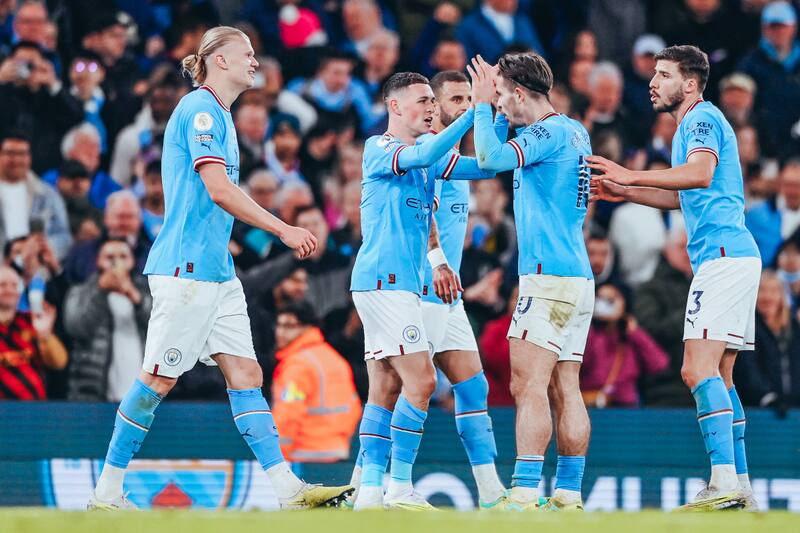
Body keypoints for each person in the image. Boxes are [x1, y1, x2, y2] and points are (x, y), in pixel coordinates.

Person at [88, 26, 350, 511]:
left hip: (217, 273)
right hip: (186, 271)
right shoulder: (202, 110)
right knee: (158, 380)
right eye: (247, 53)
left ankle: (286, 490)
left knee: (247, 373)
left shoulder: (222, 117)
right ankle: (106, 492)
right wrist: (284, 229)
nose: (256, 61)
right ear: (219, 60)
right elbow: (219, 190)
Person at [589, 45, 761, 510]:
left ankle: (723, 480)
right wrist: (627, 191)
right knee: (721, 375)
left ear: (689, 83)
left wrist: (629, 171)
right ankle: (740, 484)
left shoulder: (700, 120)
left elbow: (701, 174)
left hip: (722, 257)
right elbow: (684, 196)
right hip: (734, 255)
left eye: (663, 74)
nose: (652, 82)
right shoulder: (693, 126)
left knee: (695, 368)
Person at [349, 71, 483, 510]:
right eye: (423, 100)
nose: (431, 108)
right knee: (422, 380)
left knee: (385, 385)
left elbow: (480, 166)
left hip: (395, 286)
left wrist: (501, 126)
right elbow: (426, 151)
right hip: (383, 283)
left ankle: (369, 492)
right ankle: (400, 487)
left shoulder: (425, 162)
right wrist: (472, 112)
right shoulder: (380, 148)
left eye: (432, 101)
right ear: (394, 106)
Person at [469, 52, 593, 511]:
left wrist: (483, 107)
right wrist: (494, 109)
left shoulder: (543, 133)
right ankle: (568, 494)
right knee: (566, 385)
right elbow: (491, 162)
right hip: (577, 278)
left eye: (502, 94)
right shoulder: (574, 130)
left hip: (546, 280)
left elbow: (487, 157)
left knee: (528, 385)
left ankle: (522, 493)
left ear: (519, 93)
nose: (499, 103)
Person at [416, 70, 506, 508]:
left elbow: (491, 163)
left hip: (447, 298)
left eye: (470, 97)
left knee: (473, 388)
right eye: (457, 99)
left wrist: (499, 110)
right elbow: (417, 216)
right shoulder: (422, 154)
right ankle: (380, 484)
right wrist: (436, 262)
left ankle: (490, 492)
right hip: (415, 292)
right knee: (404, 389)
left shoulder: (454, 162)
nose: (467, 105)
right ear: (433, 106)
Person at [271, 301, 362, 463]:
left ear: (308, 327)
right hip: (337, 453)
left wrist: (276, 457)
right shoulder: (335, 359)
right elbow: (353, 407)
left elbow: (288, 413)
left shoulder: (298, 365)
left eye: (289, 326)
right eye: (279, 325)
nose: (280, 332)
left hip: (302, 454)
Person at [63, 239, 151, 402]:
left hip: (144, 395)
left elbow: (162, 329)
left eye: (123, 256)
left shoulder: (148, 291)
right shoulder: (79, 292)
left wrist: (134, 296)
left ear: (132, 261)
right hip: (93, 395)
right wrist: (100, 289)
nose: (116, 262)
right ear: (98, 261)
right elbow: (75, 327)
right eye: (109, 256)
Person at [581, 283, 669, 407]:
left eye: (611, 300)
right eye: (600, 299)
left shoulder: (631, 336)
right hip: (591, 404)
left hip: (626, 406)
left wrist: (635, 333)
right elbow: (581, 363)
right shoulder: (588, 333)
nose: (605, 304)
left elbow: (659, 364)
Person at [734, 270, 800, 410]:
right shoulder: (746, 328)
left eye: (773, 291)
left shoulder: (794, 329)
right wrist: (768, 397)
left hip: (794, 409)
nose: (768, 297)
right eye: (762, 290)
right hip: (757, 410)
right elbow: (747, 369)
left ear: (782, 296)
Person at [0, 264, 67, 399]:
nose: (9, 289)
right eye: (3, 284)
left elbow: (59, 363)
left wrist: (45, 334)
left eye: (14, 285)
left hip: (34, 412)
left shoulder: (31, 321)